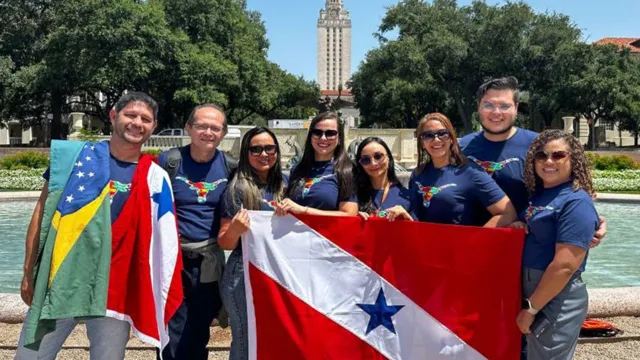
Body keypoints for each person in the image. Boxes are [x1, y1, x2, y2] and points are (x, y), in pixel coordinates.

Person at [16, 92, 170, 359]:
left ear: (153, 126)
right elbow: (41, 213)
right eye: (130, 115)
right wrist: (29, 271)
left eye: (145, 119)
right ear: (113, 116)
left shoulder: (154, 176)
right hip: (61, 278)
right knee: (31, 356)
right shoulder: (74, 158)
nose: (137, 123)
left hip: (114, 289)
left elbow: (160, 242)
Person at [459, 76, 606, 245]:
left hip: (523, 246)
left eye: (504, 106)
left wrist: (591, 219)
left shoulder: (540, 147)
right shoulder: (460, 148)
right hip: (467, 244)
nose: (496, 112)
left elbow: (572, 187)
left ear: (516, 107)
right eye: (488, 105)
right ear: (478, 107)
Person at [508, 130, 599, 360]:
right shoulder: (540, 195)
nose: (548, 161)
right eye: (541, 155)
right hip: (536, 294)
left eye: (558, 155)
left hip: (554, 298)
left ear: (573, 159)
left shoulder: (576, 201)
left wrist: (530, 310)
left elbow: (565, 266)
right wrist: (519, 224)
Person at [157, 104, 237, 360]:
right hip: (172, 261)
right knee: (171, 332)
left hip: (208, 264)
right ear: (188, 128)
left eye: (215, 127)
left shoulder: (230, 167)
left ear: (223, 133)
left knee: (200, 331)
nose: (208, 132)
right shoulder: (167, 162)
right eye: (202, 125)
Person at [217, 127, 287, 360]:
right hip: (243, 272)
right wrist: (236, 230)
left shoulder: (285, 185)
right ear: (246, 153)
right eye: (255, 149)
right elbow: (226, 242)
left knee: (275, 336)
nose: (263, 154)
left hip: (279, 270)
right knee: (246, 338)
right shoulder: (237, 189)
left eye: (269, 148)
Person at [409, 112, 516, 227]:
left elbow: (508, 213)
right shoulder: (418, 174)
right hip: (424, 243)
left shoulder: (470, 172)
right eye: (428, 135)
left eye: (442, 133)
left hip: (459, 244)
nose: (436, 139)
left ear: (451, 138)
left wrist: (477, 239)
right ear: (422, 142)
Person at [278, 112, 357, 216]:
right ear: (310, 137)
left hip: (326, 232)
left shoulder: (348, 170)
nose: (323, 138)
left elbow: (349, 214)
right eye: (317, 132)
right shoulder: (297, 169)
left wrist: (304, 210)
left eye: (330, 133)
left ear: (339, 139)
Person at [354, 137, 413, 221]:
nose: (373, 163)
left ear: (388, 157)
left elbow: (417, 231)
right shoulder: (352, 197)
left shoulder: (406, 196)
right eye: (366, 159)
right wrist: (353, 219)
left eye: (378, 156)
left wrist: (406, 218)